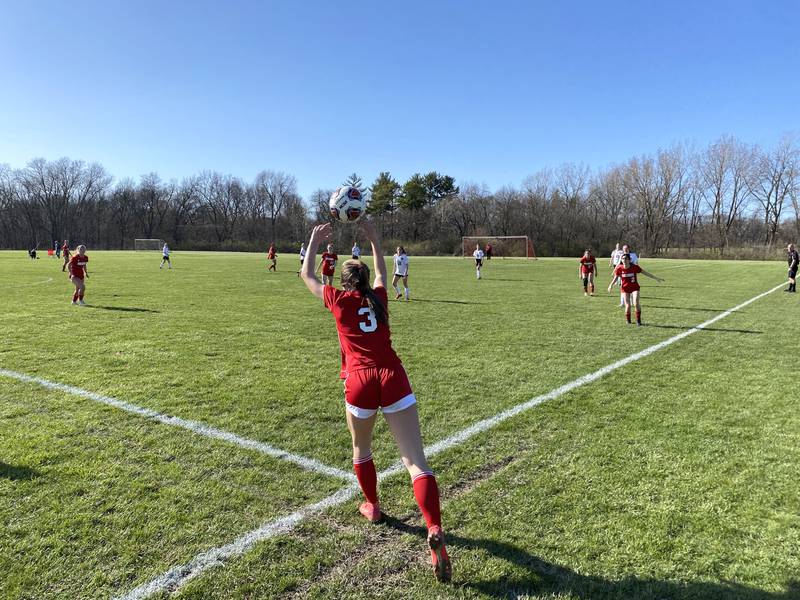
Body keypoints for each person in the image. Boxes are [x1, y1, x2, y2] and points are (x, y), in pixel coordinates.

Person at [300, 220, 451, 583]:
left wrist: (314, 241)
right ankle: (433, 526)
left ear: (344, 282)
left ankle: (373, 506)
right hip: (392, 375)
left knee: (361, 448)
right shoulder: (379, 298)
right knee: (416, 460)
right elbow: (382, 272)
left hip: (359, 381)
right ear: (367, 281)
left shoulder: (338, 300)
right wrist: (375, 240)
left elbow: (306, 276)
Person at [608, 253, 663, 325]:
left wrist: (656, 278)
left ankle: (638, 321)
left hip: (635, 288)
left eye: (626, 259)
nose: (624, 260)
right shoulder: (619, 268)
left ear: (629, 260)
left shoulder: (634, 267)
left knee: (636, 303)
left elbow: (645, 273)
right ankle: (628, 321)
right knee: (627, 305)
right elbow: (615, 278)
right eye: (623, 258)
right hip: (625, 289)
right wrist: (610, 285)